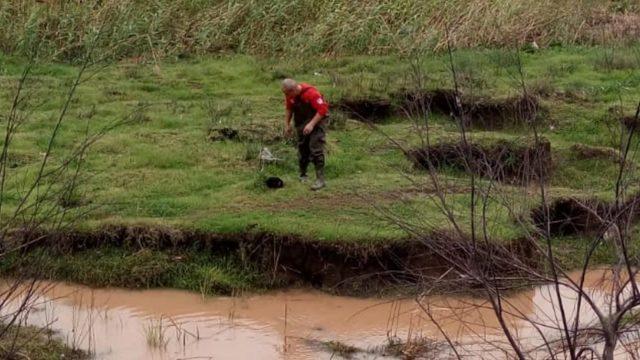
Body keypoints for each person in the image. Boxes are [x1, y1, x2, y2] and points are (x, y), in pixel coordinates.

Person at [282, 78, 329, 190]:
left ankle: (320, 180)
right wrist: (287, 125)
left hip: (317, 122)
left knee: (316, 148)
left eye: (288, 94)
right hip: (301, 122)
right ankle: (303, 174)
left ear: (293, 90)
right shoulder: (290, 96)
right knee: (303, 148)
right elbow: (289, 109)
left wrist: (312, 124)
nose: (287, 97)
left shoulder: (312, 93)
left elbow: (323, 109)